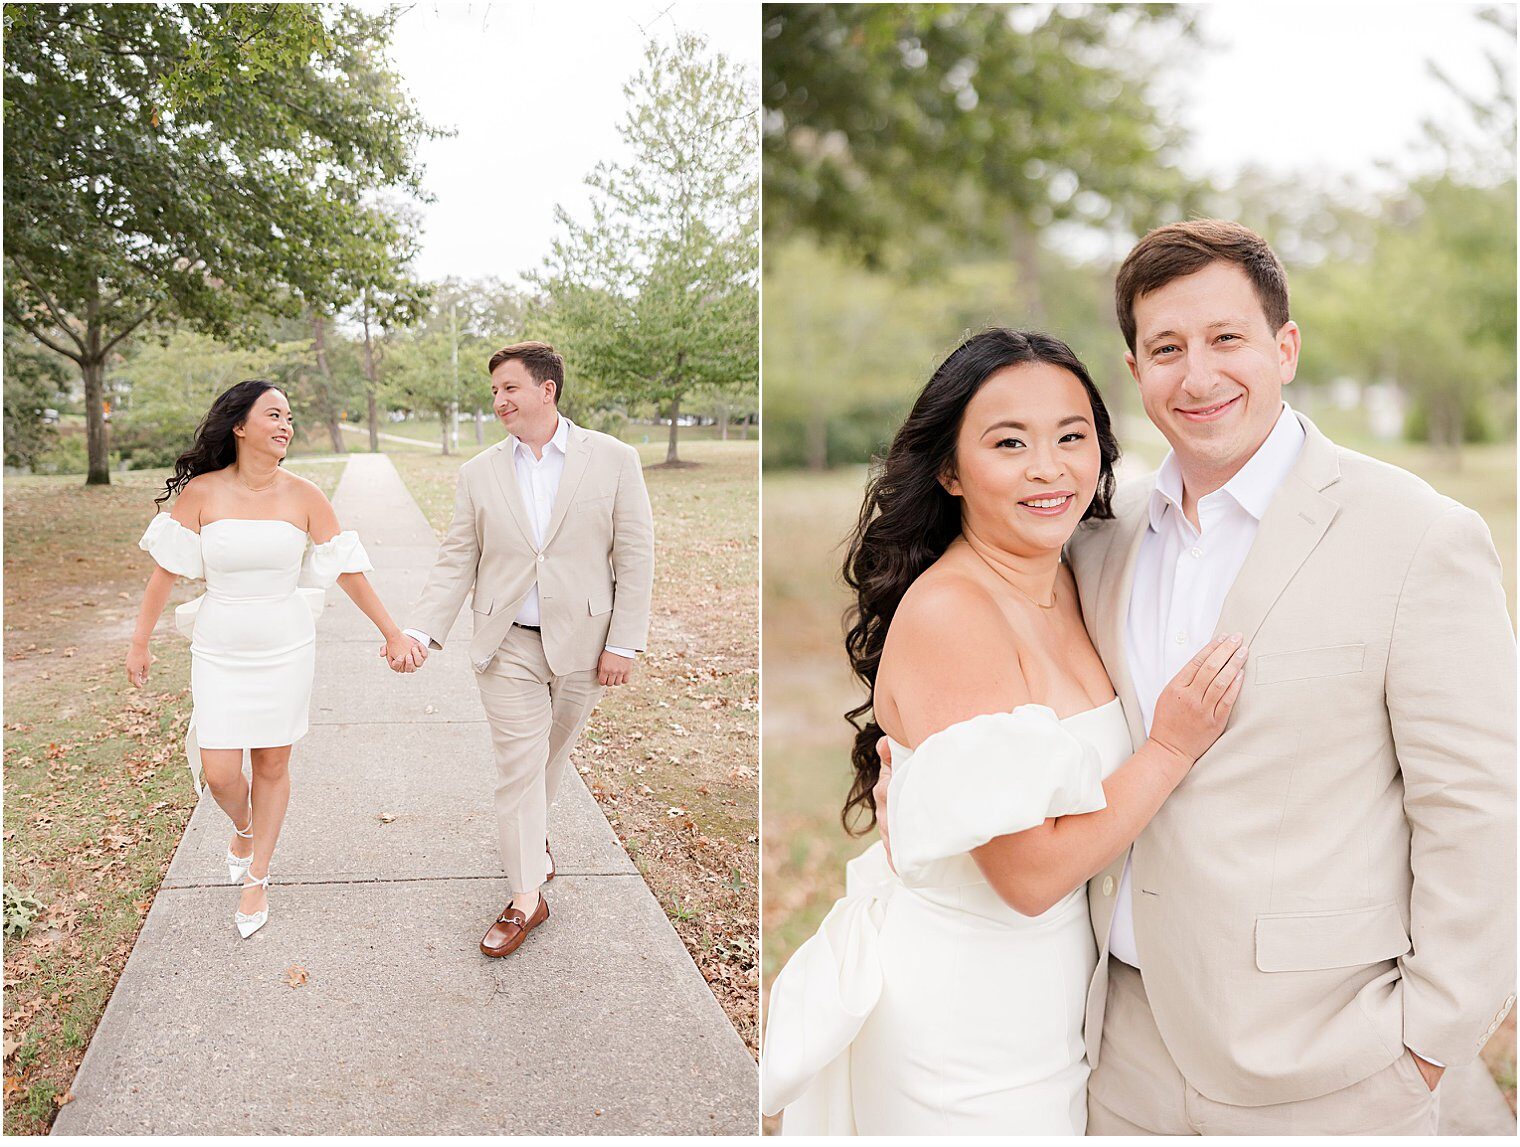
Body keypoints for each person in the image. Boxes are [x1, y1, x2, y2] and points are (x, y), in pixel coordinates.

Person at [1061, 220, 1516, 1135]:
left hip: (1331, 1059)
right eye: (1167, 348)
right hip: (1119, 1052)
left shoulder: (1418, 534)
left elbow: (1480, 808)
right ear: (1135, 368)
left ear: (1285, 347)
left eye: (1227, 339)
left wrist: (1427, 1041)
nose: (1198, 376)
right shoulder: (1100, 535)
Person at [760, 329, 1248, 1134]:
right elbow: (1026, 873)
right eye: (1009, 442)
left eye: (1071, 435)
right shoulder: (957, 612)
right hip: (966, 1021)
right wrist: (1168, 748)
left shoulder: (1069, 572)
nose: (1048, 467)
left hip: (1056, 1001)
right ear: (950, 469)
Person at [126, 380, 422, 939]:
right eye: (274, 415)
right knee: (219, 771)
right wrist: (140, 641)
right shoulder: (202, 494)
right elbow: (165, 570)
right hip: (219, 647)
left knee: (272, 765)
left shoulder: (305, 496)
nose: (285, 425)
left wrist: (392, 632)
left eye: (289, 417)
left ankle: (257, 873)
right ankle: (242, 824)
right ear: (240, 426)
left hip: (285, 646)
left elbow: (346, 569)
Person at [396, 341, 654, 959]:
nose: (499, 401)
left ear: (547, 390)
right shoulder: (478, 472)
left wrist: (624, 642)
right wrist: (422, 631)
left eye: (509, 388)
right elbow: (459, 556)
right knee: (518, 770)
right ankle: (525, 899)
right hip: (506, 642)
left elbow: (636, 555)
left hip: (586, 646)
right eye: (493, 392)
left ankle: (531, 846)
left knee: (549, 760)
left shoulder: (614, 459)